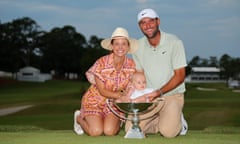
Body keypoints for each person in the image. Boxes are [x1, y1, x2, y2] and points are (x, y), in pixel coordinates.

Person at [125, 8, 188, 138]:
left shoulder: (174, 42)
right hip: (148, 97)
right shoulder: (137, 46)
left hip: (172, 95)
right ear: (139, 26)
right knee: (131, 130)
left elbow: (180, 76)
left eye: (150, 21)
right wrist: (132, 93)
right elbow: (139, 75)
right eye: (143, 22)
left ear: (158, 21)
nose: (147, 25)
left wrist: (158, 93)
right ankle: (159, 119)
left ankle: (178, 121)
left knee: (168, 133)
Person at [74, 27, 138, 136]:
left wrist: (125, 98)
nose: (120, 47)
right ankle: (79, 118)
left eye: (124, 44)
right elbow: (102, 91)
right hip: (94, 102)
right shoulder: (101, 63)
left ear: (128, 47)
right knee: (96, 132)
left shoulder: (132, 65)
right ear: (112, 46)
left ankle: (115, 121)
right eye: (117, 44)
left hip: (115, 104)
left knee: (109, 131)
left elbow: (132, 87)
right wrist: (120, 95)